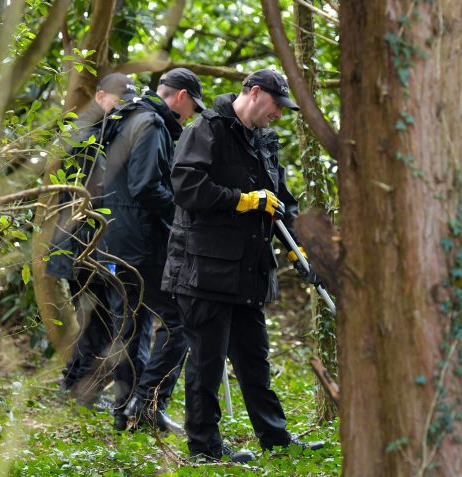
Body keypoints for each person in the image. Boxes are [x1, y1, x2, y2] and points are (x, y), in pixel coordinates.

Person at [162, 69, 325, 463]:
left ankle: (275, 438)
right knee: (206, 363)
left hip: (248, 272)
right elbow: (185, 186)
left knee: (254, 359)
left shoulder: (264, 142)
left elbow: (283, 201)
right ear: (254, 93)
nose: (280, 116)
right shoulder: (207, 129)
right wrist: (242, 200)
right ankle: (204, 447)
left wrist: (298, 250)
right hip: (203, 271)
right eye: (276, 106)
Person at [98, 68, 205, 432]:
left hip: (112, 239)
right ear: (181, 97)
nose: (190, 116)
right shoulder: (152, 125)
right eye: (193, 107)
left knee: (129, 324)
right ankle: (146, 404)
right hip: (140, 241)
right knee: (181, 322)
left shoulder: (126, 116)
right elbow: (146, 186)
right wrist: (183, 218)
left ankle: (125, 412)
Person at [47, 72, 137, 405]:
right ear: (100, 97)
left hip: (92, 241)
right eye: (117, 101)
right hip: (80, 241)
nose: (122, 108)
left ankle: (76, 386)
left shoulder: (105, 132)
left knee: (96, 318)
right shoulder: (84, 134)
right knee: (95, 320)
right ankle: (81, 391)